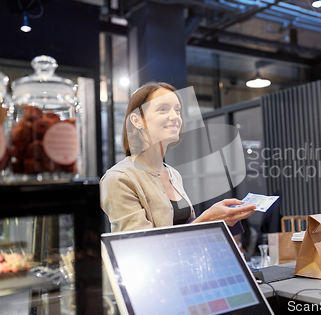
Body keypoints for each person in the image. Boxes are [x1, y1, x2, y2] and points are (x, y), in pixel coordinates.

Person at [100, 82, 255, 232]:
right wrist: (206, 220)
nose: (175, 117)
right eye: (162, 109)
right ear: (137, 120)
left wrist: (220, 220)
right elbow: (140, 246)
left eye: (177, 110)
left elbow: (185, 227)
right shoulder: (119, 178)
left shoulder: (173, 174)